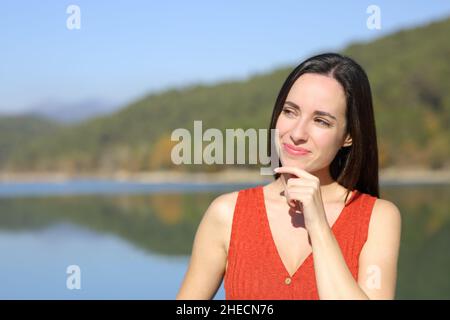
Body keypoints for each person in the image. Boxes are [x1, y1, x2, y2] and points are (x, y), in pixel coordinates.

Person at [176, 53, 402, 300]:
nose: (297, 133)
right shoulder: (227, 213)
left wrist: (319, 226)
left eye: (321, 121)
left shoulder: (378, 218)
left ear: (349, 135)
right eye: (290, 111)